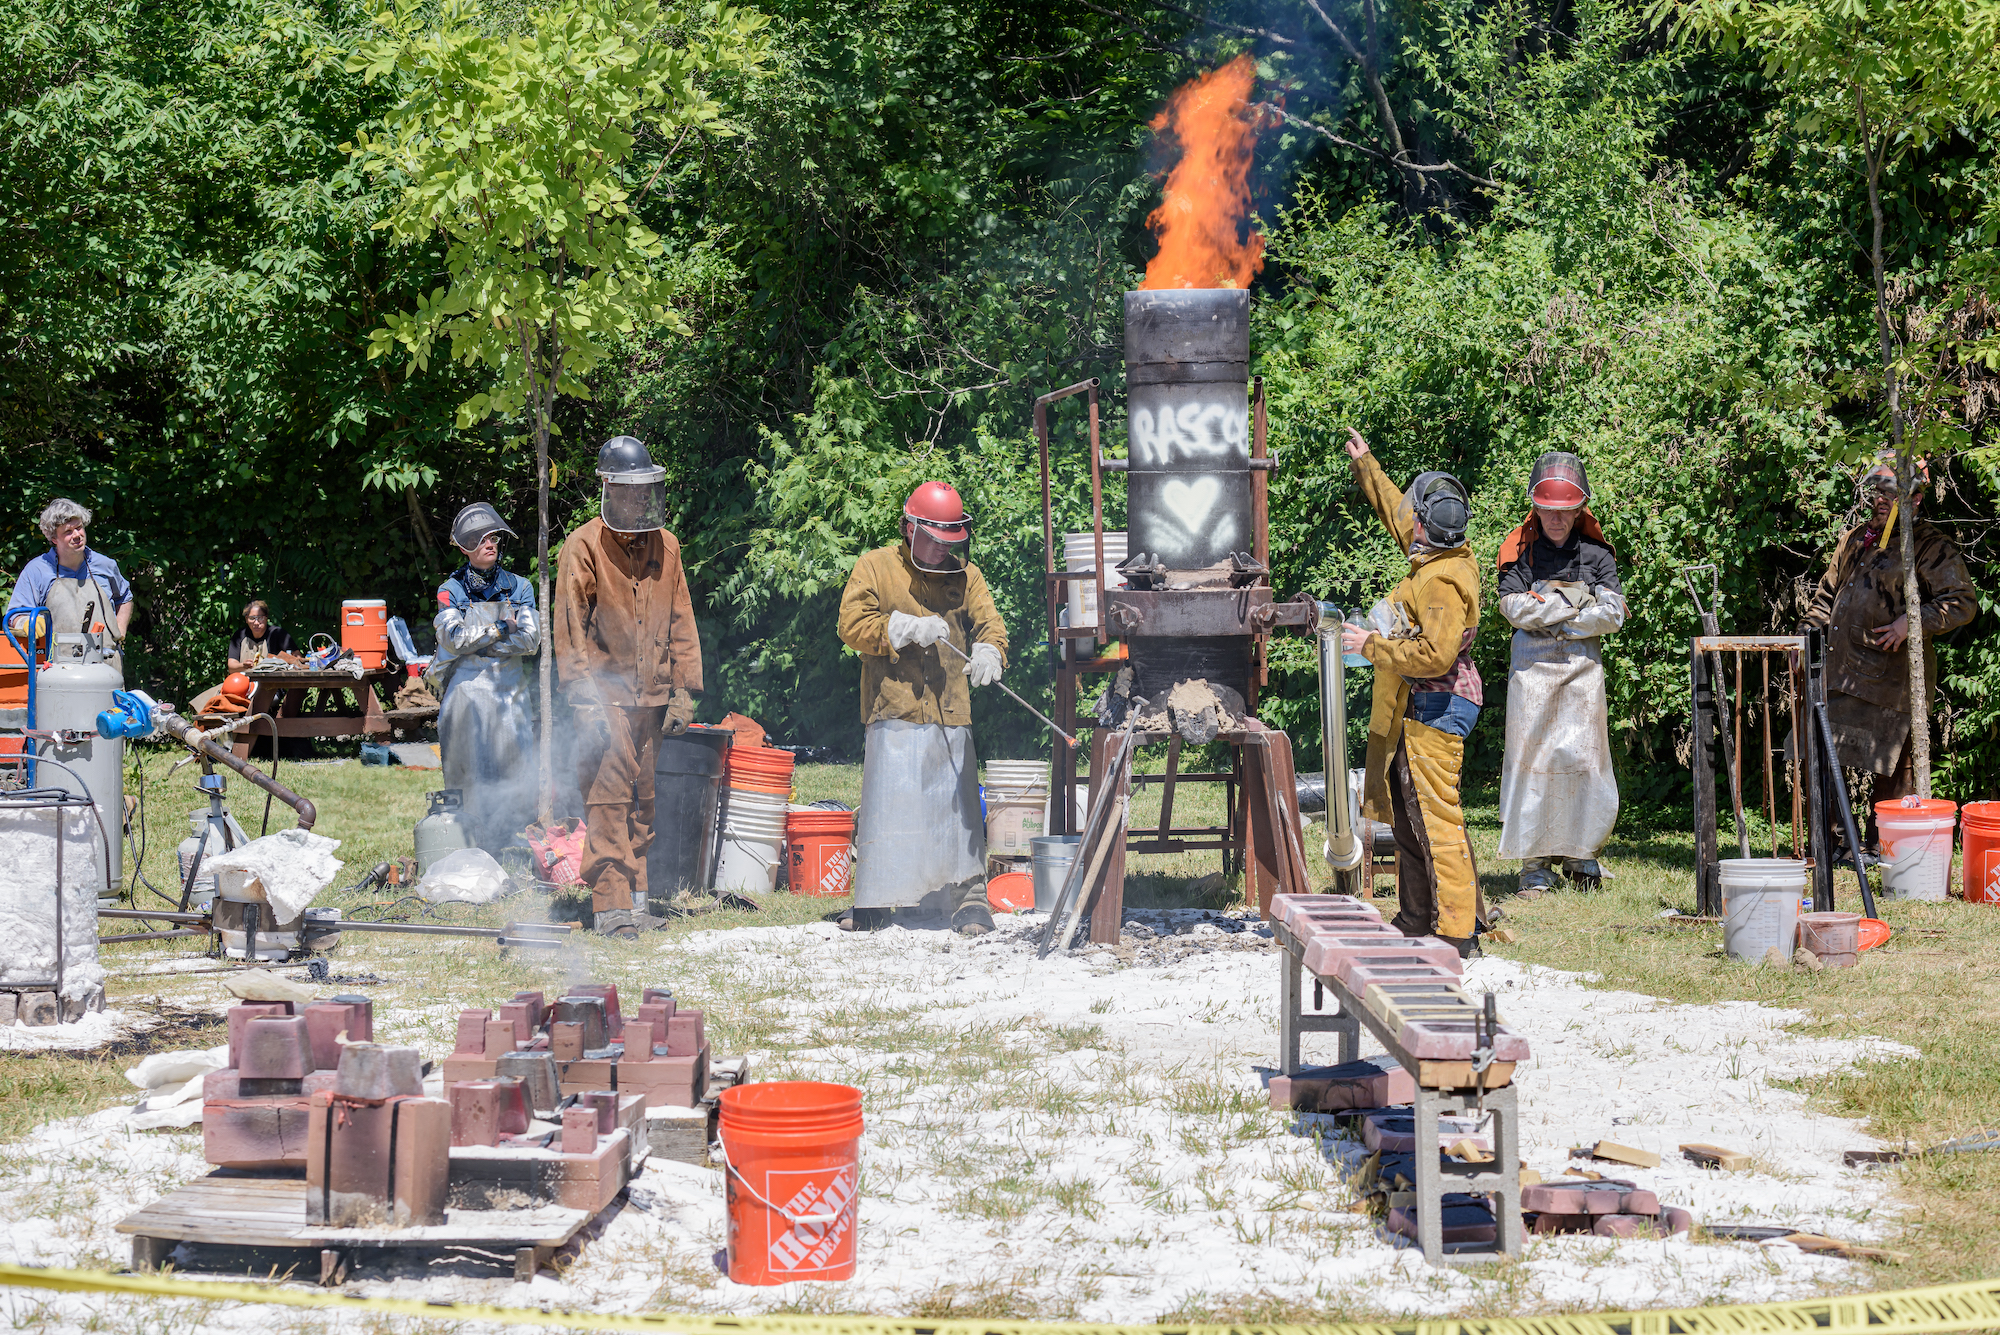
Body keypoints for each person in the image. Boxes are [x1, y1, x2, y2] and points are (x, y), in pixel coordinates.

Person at [837, 481, 1007, 937]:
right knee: (889, 809)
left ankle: (970, 902)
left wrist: (990, 651)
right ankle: (876, 903)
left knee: (960, 813)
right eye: (932, 542)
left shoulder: (966, 577)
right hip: (893, 707)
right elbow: (851, 624)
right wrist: (902, 627)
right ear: (908, 529)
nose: (940, 553)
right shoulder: (876, 566)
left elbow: (990, 624)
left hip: (951, 708)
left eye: (948, 544)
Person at [1338, 429, 1484, 956]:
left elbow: (1435, 657)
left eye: (1415, 517)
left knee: (1433, 818)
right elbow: (1399, 512)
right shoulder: (1435, 554)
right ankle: (1418, 918)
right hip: (1425, 705)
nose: (1409, 522)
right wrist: (1367, 465)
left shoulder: (1441, 581)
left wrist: (1372, 645)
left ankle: (1455, 934)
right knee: (1408, 815)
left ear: (1428, 526)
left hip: (1438, 705)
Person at [554, 437, 703, 939]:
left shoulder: (668, 544)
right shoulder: (584, 544)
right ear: (608, 487)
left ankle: (637, 901)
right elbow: (571, 628)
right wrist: (584, 699)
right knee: (607, 799)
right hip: (606, 696)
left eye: (647, 491)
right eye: (631, 491)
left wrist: (684, 689)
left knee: (643, 802)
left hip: (653, 699)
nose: (640, 501)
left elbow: (682, 620)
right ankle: (611, 905)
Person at [1800, 453, 1975, 853]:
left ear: (1914, 500)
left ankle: (1890, 849)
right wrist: (1806, 638)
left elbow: (1962, 601)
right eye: (1877, 491)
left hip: (1891, 683)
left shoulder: (1929, 547)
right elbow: (1826, 597)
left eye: (1890, 493)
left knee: (1896, 771)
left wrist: (1911, 623)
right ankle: (1837, 847)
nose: (1880, 500)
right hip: (1840, 674)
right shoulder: (1856, 537)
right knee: (1826, 761)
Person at [1494, 453, 1627, 895]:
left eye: (1564, 509)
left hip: (1582, 673)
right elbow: (1511, 606)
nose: (1556, 518)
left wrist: (1550, 609)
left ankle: (1581, 856)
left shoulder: (1596, 553)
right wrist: (1576, 604)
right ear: (1537, 508)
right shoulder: (1520, 549)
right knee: (1532, 762)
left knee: (1586, 760)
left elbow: (1615, 613)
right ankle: (1534, 865)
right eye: (1548, 509)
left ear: (1578, 510)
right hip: (1531, 674)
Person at [431, 502, 542, 855]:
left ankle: (510, 841)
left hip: (510, 691)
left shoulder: (520, 586)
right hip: (465, 691)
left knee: (515, 768)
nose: (490, 543)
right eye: (481, 539)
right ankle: (467, 842)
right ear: (464, 548)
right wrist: (498, 628)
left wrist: (477, 644)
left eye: (494, 537)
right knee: (466, 772)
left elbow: (529, 640)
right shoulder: (450, 589)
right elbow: (452, 639)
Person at [6, 498, 133, 669]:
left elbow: (125, 597)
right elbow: (14, 615)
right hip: (58, 670)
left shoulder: (105, 565)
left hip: (106, 667)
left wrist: (120, 630)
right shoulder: (37, 571)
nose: (77, 535)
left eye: (79, 527)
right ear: (53, 538)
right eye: (68, 532)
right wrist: (26, 622)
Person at [228, 600, 302, 670]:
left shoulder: (278, 634)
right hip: (244, 679)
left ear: (266, 618)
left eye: (260, 618)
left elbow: (297, 658)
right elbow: (231, 666)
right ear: (246, 619)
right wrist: (243, 665)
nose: (256, 623)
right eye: (252, 618)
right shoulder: (239, 635)